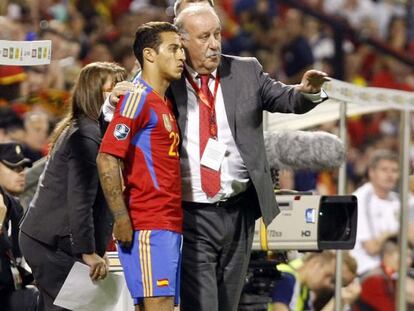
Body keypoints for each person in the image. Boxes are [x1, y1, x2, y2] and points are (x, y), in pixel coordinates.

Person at [106, 4, 329, 310]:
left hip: (239, 211)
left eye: (217, 34)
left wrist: (307, 92)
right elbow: (131, 97)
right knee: (202, 304)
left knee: (229, 303)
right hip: (191, 213)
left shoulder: (246, 70)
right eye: (203, 37)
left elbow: (286, 98)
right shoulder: (168, 75)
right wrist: (113, 100)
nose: (214, 44)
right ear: (182, 42)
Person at [19, 61, 127, 311]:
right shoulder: (85, 135)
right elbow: (80, 199)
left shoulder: (89, 128)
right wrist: (87, 252)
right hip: (51, 244)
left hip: (50, 239)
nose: (121, 96)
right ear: (94, 93)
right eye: (114, 90)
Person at [97, 22, 185, 311]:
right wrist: (121, 216)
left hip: (167, 222)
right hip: (149, 223)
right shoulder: (137, 97)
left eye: (182, 48)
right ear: (149, 55)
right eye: (173, 48)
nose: (182, 56)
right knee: (158, 304)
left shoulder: (162, 103)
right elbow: (107, 157)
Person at [0, 143, 38, 311]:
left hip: (11, 289)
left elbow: (18, 256)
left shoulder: (15, 207)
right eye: (13, 168)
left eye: (22, 167)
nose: (21, 173)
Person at [351, 149, 400, 275]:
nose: (390, 175)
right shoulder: (360, 199)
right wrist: (394, 235)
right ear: (371, 172)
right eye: (384, 170)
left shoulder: (398, 200)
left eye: (394, 170)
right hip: (366, 268)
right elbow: (372, 247)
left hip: (394, 266)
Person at [358, 235, 414, 311]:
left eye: (410, 256)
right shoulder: (374, 280)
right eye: (405, 255)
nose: (408, 261)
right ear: (387, 255)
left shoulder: (391, 278)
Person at [270, 252, 336, 311]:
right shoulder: (287, 279)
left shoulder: (304, 290)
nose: (327, 284)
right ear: (315, 264)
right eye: (328, 275)